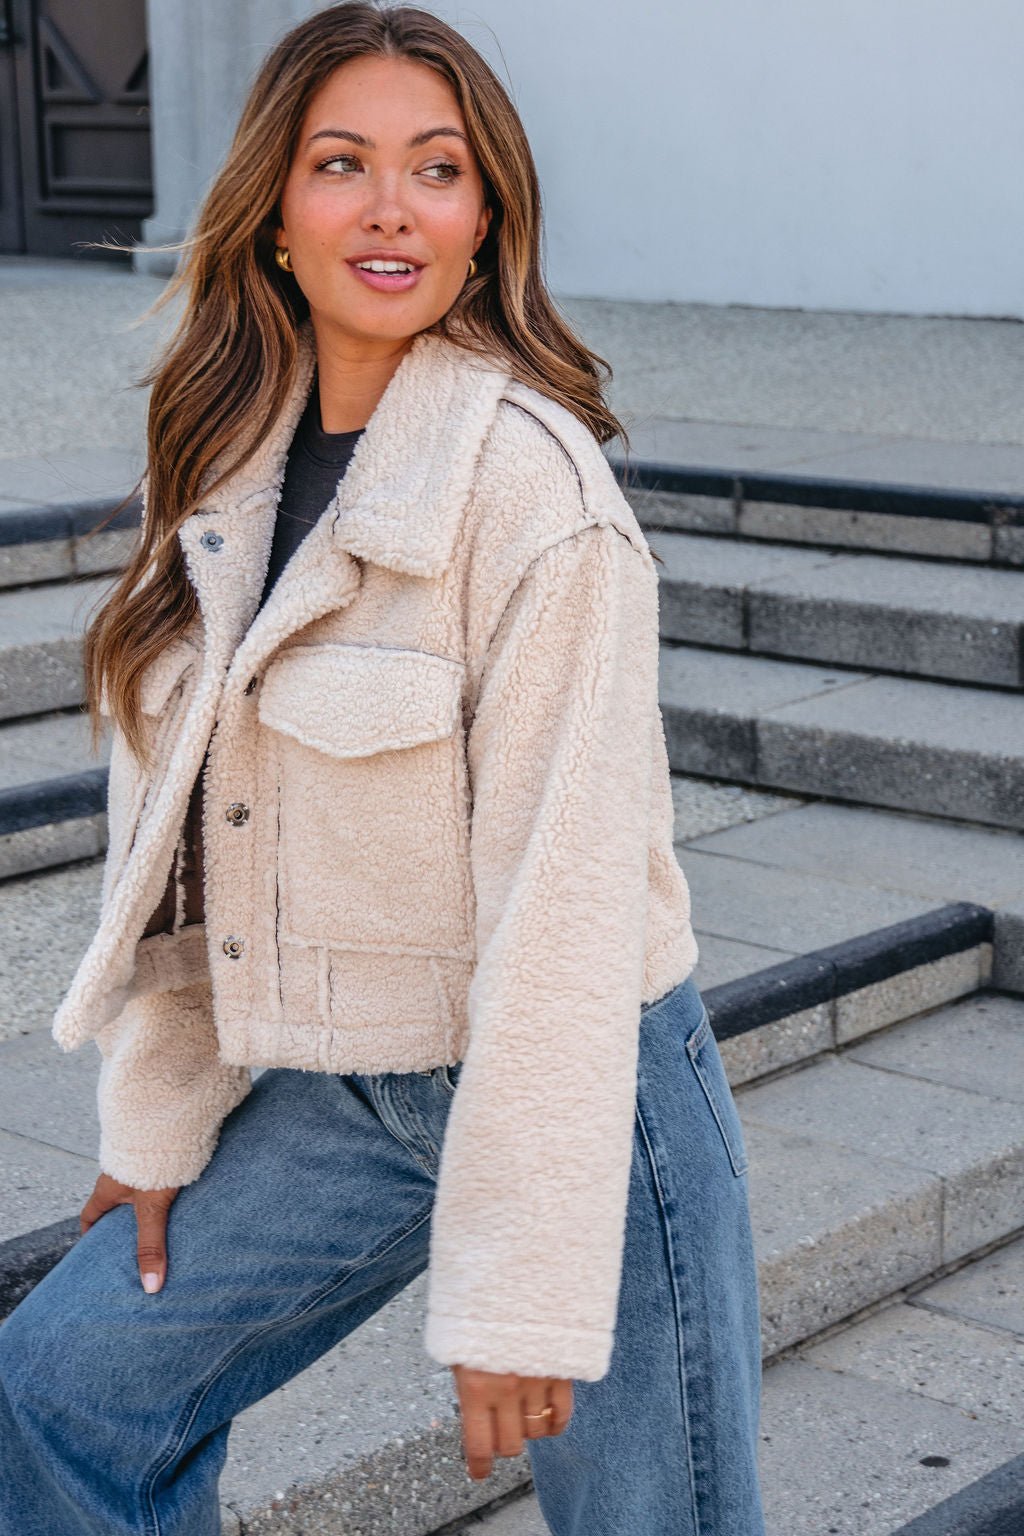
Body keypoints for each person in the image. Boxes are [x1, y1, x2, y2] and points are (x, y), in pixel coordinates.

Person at [0, 5, 766, 1532]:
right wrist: (157, 1129)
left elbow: (563, 911)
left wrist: (524, 1282)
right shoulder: (226, 463)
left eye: (439, 168)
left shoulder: (538, 495)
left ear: (487, 223)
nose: (393, 207)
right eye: (343, 164)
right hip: (353, 1083)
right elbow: (180, 846)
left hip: (581, 1093)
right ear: (276, 214)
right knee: (61, 1383)